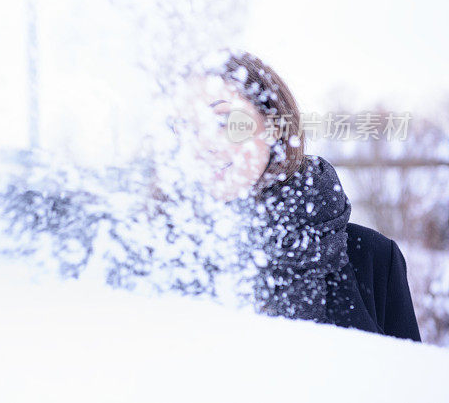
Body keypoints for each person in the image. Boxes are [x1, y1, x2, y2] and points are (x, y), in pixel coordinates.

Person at [171, 48, 421, 341]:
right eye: (186, 125)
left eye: (223, 120)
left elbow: (406, 383)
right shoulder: (159, 257)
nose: (203, 144)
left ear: (274, 125)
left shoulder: (372, 258)